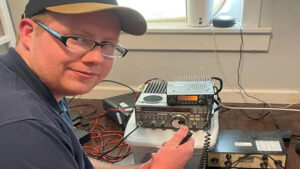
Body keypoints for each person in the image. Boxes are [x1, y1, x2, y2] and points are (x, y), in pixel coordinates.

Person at [0, 0, 194, 168]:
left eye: (108, 44)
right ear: (28, 33)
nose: (97, 58)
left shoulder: (40, 83)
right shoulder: (24, 130)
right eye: (77, 38)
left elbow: (73, 160)